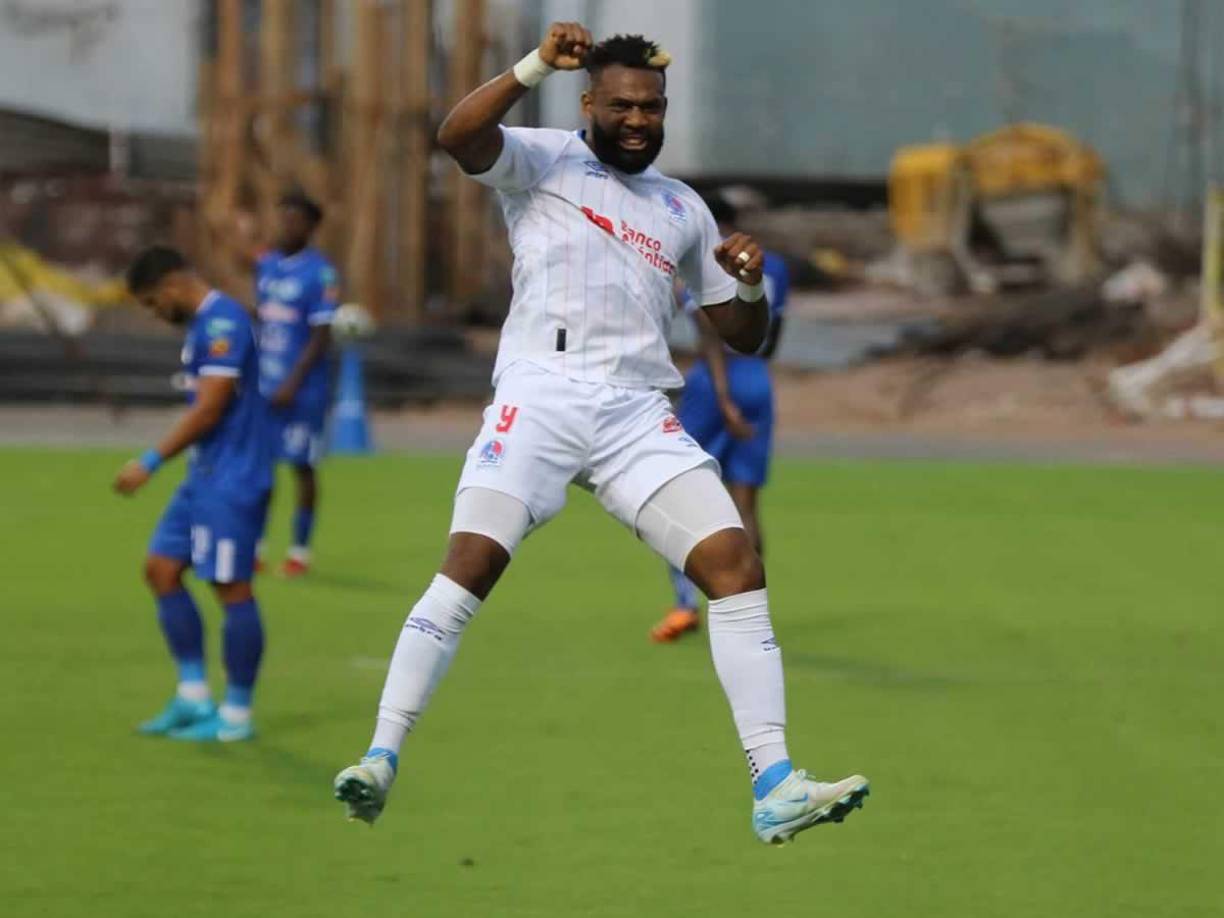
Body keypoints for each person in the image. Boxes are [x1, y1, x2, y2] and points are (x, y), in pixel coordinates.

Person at [332, 24, 868, 844]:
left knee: (734, 564)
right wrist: (534, 64)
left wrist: (752, 286)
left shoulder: (682, 207)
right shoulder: (541, 158)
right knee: (469, 566)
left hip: (634, 413)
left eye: (650, 107)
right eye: (621, 104)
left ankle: (775, 783)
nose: (637, 119)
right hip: (541, 397)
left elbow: (744, 335)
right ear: (588, 103)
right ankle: (380, 755)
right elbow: (456, 136)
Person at [115, 246, 273, 742]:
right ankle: (192, 696)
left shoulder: (222, 323)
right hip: (204, 475)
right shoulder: (202, 327)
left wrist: (149, 460)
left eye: (150, 303)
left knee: (231, 588)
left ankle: (236, 715)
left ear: (171, 285)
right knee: (161, 569)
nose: (154, 313)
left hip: (234, 479)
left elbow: (209, 410)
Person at [652, 195, 790, 642]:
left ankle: (684, 605)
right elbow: (771, 332)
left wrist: (725, 400)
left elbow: (710, 332)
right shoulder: (775, 267)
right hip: (758, 379)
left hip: (715, 385)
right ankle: (754, 611)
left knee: (677, 492)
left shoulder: (707, 261)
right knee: (747, 503)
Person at [255, 191, 338, 577]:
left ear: (310, 226)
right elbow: (262, 321)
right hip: (264, 385)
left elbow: (321, 335)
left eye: (294, 218)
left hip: (303, 390)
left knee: (302, 467)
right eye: (282, 215)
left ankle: (299, 551)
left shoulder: (320, 273)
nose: (286, 224)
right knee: (260, 467)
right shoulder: (267, 265)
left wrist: (292, 381)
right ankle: (255, 545)